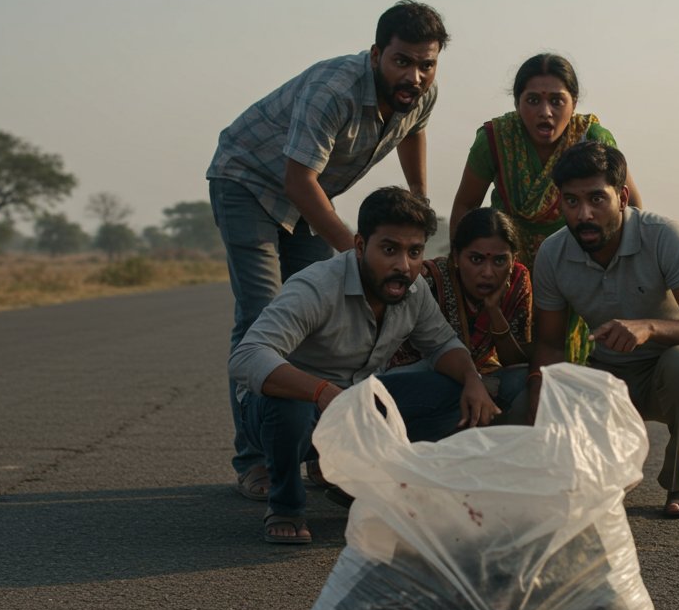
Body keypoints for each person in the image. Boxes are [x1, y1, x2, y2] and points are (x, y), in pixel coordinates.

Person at [206, 1, 449, 504]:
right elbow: (298, 179)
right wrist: (355, 251)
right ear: (378, 53)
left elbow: (413, 130)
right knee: (262, 317)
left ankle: (321, 450)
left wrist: (419, 202)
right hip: (249, 181)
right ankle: (255, 460)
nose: (416, 75)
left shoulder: (420, 93)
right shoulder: (334, 91)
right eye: (402, 61)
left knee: (323, 312)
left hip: (308, 196)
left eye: (427, 64)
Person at [229, 187, 497, 544]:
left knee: (452, 393)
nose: (403, 265)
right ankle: (286, 505)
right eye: (389, 250)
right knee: (288, 407)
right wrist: (323, 392)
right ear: (359, 246)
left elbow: (443, 344)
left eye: (414, 252)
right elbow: (247, 355)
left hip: (353, 407)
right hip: (288, 411)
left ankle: (359, 478)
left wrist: (472, 379)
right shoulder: (317, 286)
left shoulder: (412, 291)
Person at [529, 142, 679, 519]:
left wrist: (650, 327)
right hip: (610, 379)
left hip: (672, 374)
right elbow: (550, 345)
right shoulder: (553, 254)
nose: (583, 214)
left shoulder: (664, 236)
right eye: (571, 201)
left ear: (621, 197)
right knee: (586, 488)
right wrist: (541, 419)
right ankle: (611, 465)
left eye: (596, 199)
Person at [447, 53, 640, 363]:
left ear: (574, 103)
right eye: (533, 100)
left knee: (573, 354)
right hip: (510, 265)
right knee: (512, 356)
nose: (545, 112)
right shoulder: (495, 139)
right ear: (517, 103)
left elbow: (632, 209)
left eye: (556, 101)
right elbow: (466, 205)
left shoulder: (594, 138)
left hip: (577, 258)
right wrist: (462, 271)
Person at [386, 207, 532, 420]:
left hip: (481, 374)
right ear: (456, 256)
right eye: (476, 260)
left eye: (500, 261)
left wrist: (494, 311)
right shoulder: (430, 280)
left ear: (513, 259)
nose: (488, 272)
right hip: (421, 376)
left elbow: (515, 361)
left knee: (526, 380)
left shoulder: (517, 280)